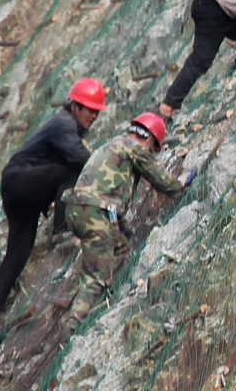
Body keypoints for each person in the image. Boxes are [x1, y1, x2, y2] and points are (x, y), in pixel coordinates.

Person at [0, 78, 106, 334]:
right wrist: (111, 165)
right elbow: (83, 158)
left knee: (19, 250)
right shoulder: (63, 125)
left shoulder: (67, 125)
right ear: (74, 106)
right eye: (89, 109)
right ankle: (60, 231)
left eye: (96, 111)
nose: (93, 115)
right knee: (72, 168)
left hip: (19, 189)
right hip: (19, 182)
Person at [65, 112, 194, 292]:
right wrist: (178, 185)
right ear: (149, 139)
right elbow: (158, 177)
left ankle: (89, 285)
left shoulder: (113, 143)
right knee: (105, 267)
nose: (149, 151)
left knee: (113, 245)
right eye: (151, 147)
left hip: (76, 207)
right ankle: (87, 303)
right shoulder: (135, 148)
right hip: (97, 210)